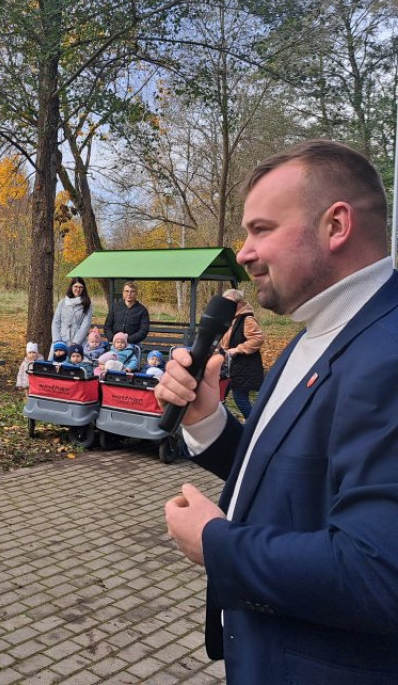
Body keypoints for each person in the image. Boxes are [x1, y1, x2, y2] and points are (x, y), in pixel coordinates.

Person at [157, 140, 398, 683]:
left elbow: (379, 573)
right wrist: (206, 419)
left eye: (261, 229)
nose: (243, 252)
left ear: (336, 225)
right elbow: (293, 479)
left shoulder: (388, 353)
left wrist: (218, 546)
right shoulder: (317, 332)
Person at [218, 289, 265, 419]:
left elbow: (258, 339)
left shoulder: (247, 319)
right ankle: (223, 423)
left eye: (229, 302)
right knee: (219, 396)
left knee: (240, 398)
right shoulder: (230, 317)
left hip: (245, 365)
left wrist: (237, 349)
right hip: (230, 366)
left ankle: (254, 426)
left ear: (238, 303)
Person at [103, 281, 150, 345]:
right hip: (114, 343)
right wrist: (114, 338)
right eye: (127, 291)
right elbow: (107, 327)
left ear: (136, 293)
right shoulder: (115, 307)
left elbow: (143, 331)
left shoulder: (142, 310)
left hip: (132, 344)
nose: (129, 294)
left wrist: (126, 339)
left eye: (132, 291)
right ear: (123, 293)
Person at [51, 277, 93, 348]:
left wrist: (76, 342)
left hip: (78, 340)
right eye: (76, 286)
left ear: (83, 289)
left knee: (75, 357)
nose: (78, 289)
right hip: (61, 338)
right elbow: (56, 322)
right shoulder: (62, 302)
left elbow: (85, 325)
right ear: (71, 287)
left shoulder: (87, 304)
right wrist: (57, 340)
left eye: (80, 287)